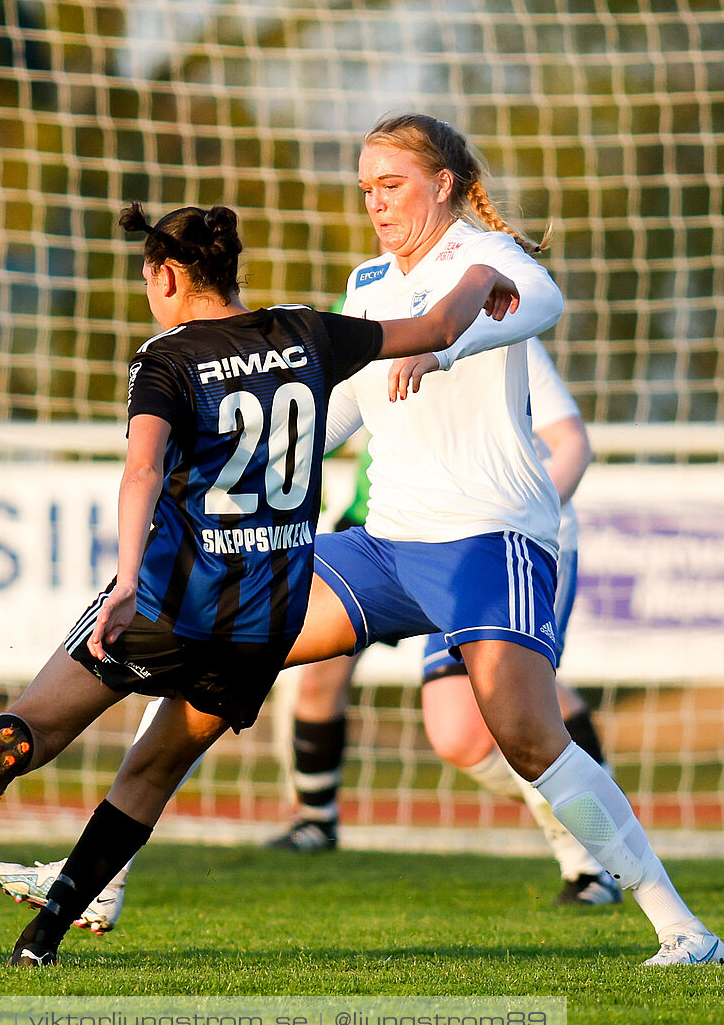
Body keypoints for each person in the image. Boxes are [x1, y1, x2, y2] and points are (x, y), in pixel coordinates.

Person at [0, 199, 522, 967]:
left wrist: (120, 583)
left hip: (172, 596)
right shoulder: (307, 332)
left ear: (168, 275)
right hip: (263, 622)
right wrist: (485, 271)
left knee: (38, 720)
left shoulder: (167, 356)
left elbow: (143, 466)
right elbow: (441, 329)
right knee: (149, 775)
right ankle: (39, 942)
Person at [277, 113, 724, 966]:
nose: (375, 201)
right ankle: (95, 879)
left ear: (443, 182)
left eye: (393, 183)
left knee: (522, 733)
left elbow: (542, 299)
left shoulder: (490, 259)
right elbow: (335, 414)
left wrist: (446, 346)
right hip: (385, 542)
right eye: (366, 186)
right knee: (234, 625)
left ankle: (683, 928)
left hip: (490, 538)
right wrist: (253, 435)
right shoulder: (366, 280)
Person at [265, 337, 622, 910]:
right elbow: (327, 423)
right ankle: (600, 816)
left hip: (514, 543)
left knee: (518, 708)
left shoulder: (507, 325)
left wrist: (519, 523)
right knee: (459, 735)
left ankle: (596, 863)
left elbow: (569, 442)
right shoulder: (379, 314)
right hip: (434, 543)